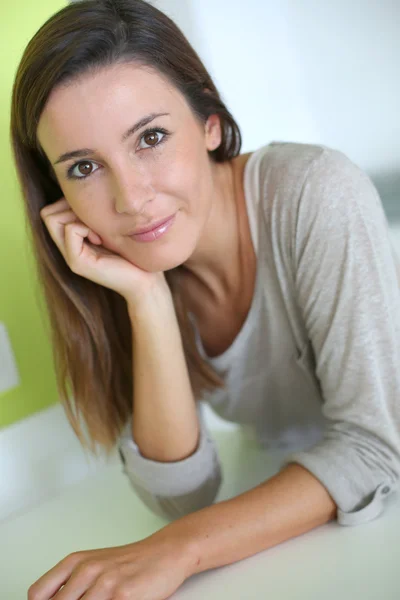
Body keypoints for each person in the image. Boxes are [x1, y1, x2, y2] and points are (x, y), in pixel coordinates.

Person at [11, 0, 400, 598]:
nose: (131, 200)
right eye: (85, 167)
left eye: (152, 137)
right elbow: (182, 495)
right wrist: (148, 300)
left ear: (210, 123)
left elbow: (376, 448)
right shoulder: (118, 264)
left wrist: (179, 551)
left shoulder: (315, 192)